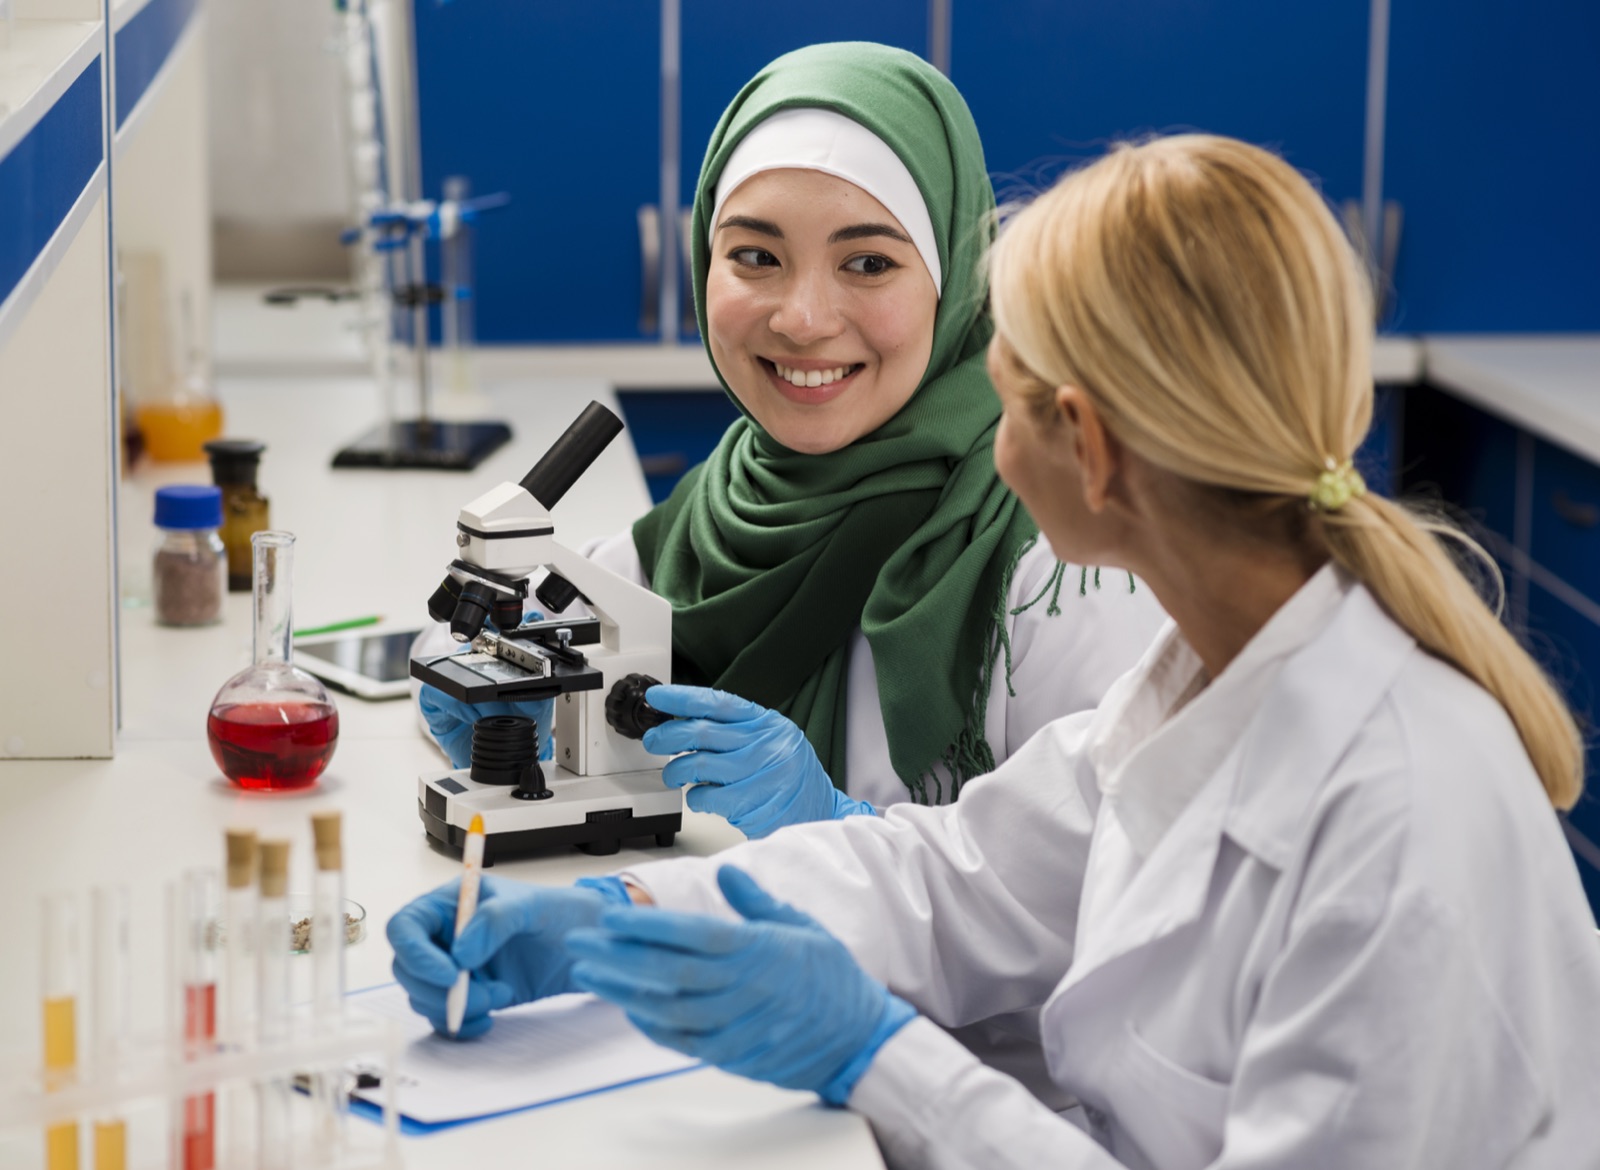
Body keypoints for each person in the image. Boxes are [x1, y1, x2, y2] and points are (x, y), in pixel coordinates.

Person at [390, 133, 1600, 1166]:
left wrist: (876, 1056)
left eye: (999, 379)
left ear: (1084, 443)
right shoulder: (1204, 676)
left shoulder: (1398, 825)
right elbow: (961, 876)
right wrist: (610, 916)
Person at [414, 41, 1164, 838]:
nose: (802, 319)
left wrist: (848, 825)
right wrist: (492, 691)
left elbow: (1115, 866)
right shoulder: (730, 497)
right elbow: (526, 613)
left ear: (957, 277)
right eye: (755, 257)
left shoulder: (1064, 551)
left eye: (869, 262)